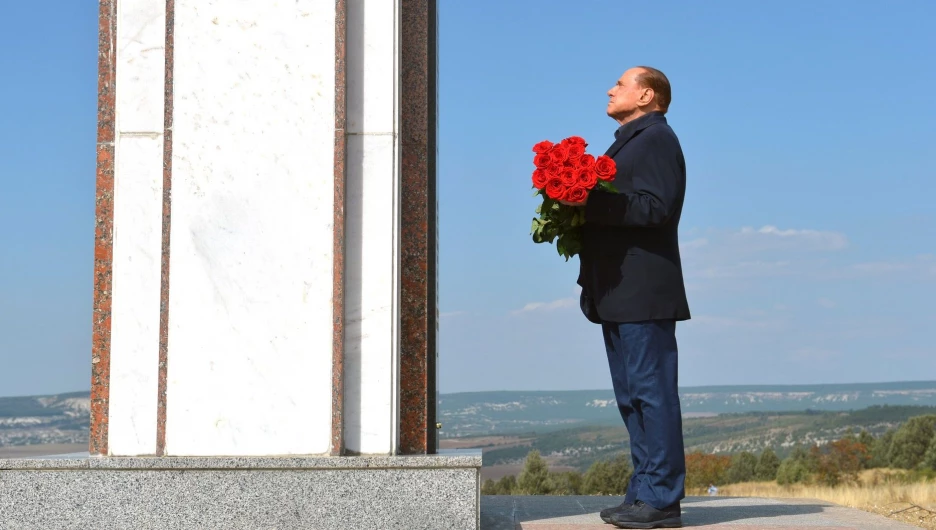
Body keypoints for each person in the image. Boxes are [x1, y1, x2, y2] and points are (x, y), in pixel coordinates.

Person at [570, 66, 691, 529]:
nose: (609, 88)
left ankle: (662, 500)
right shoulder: (628, 140)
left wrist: (589, 202)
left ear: (645, 94)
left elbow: (657, 207)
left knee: (652, 394)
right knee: (631, 398)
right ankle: (643, 492)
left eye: (619, 84)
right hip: (618, 291)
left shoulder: (657, 138)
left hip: (644, 290)